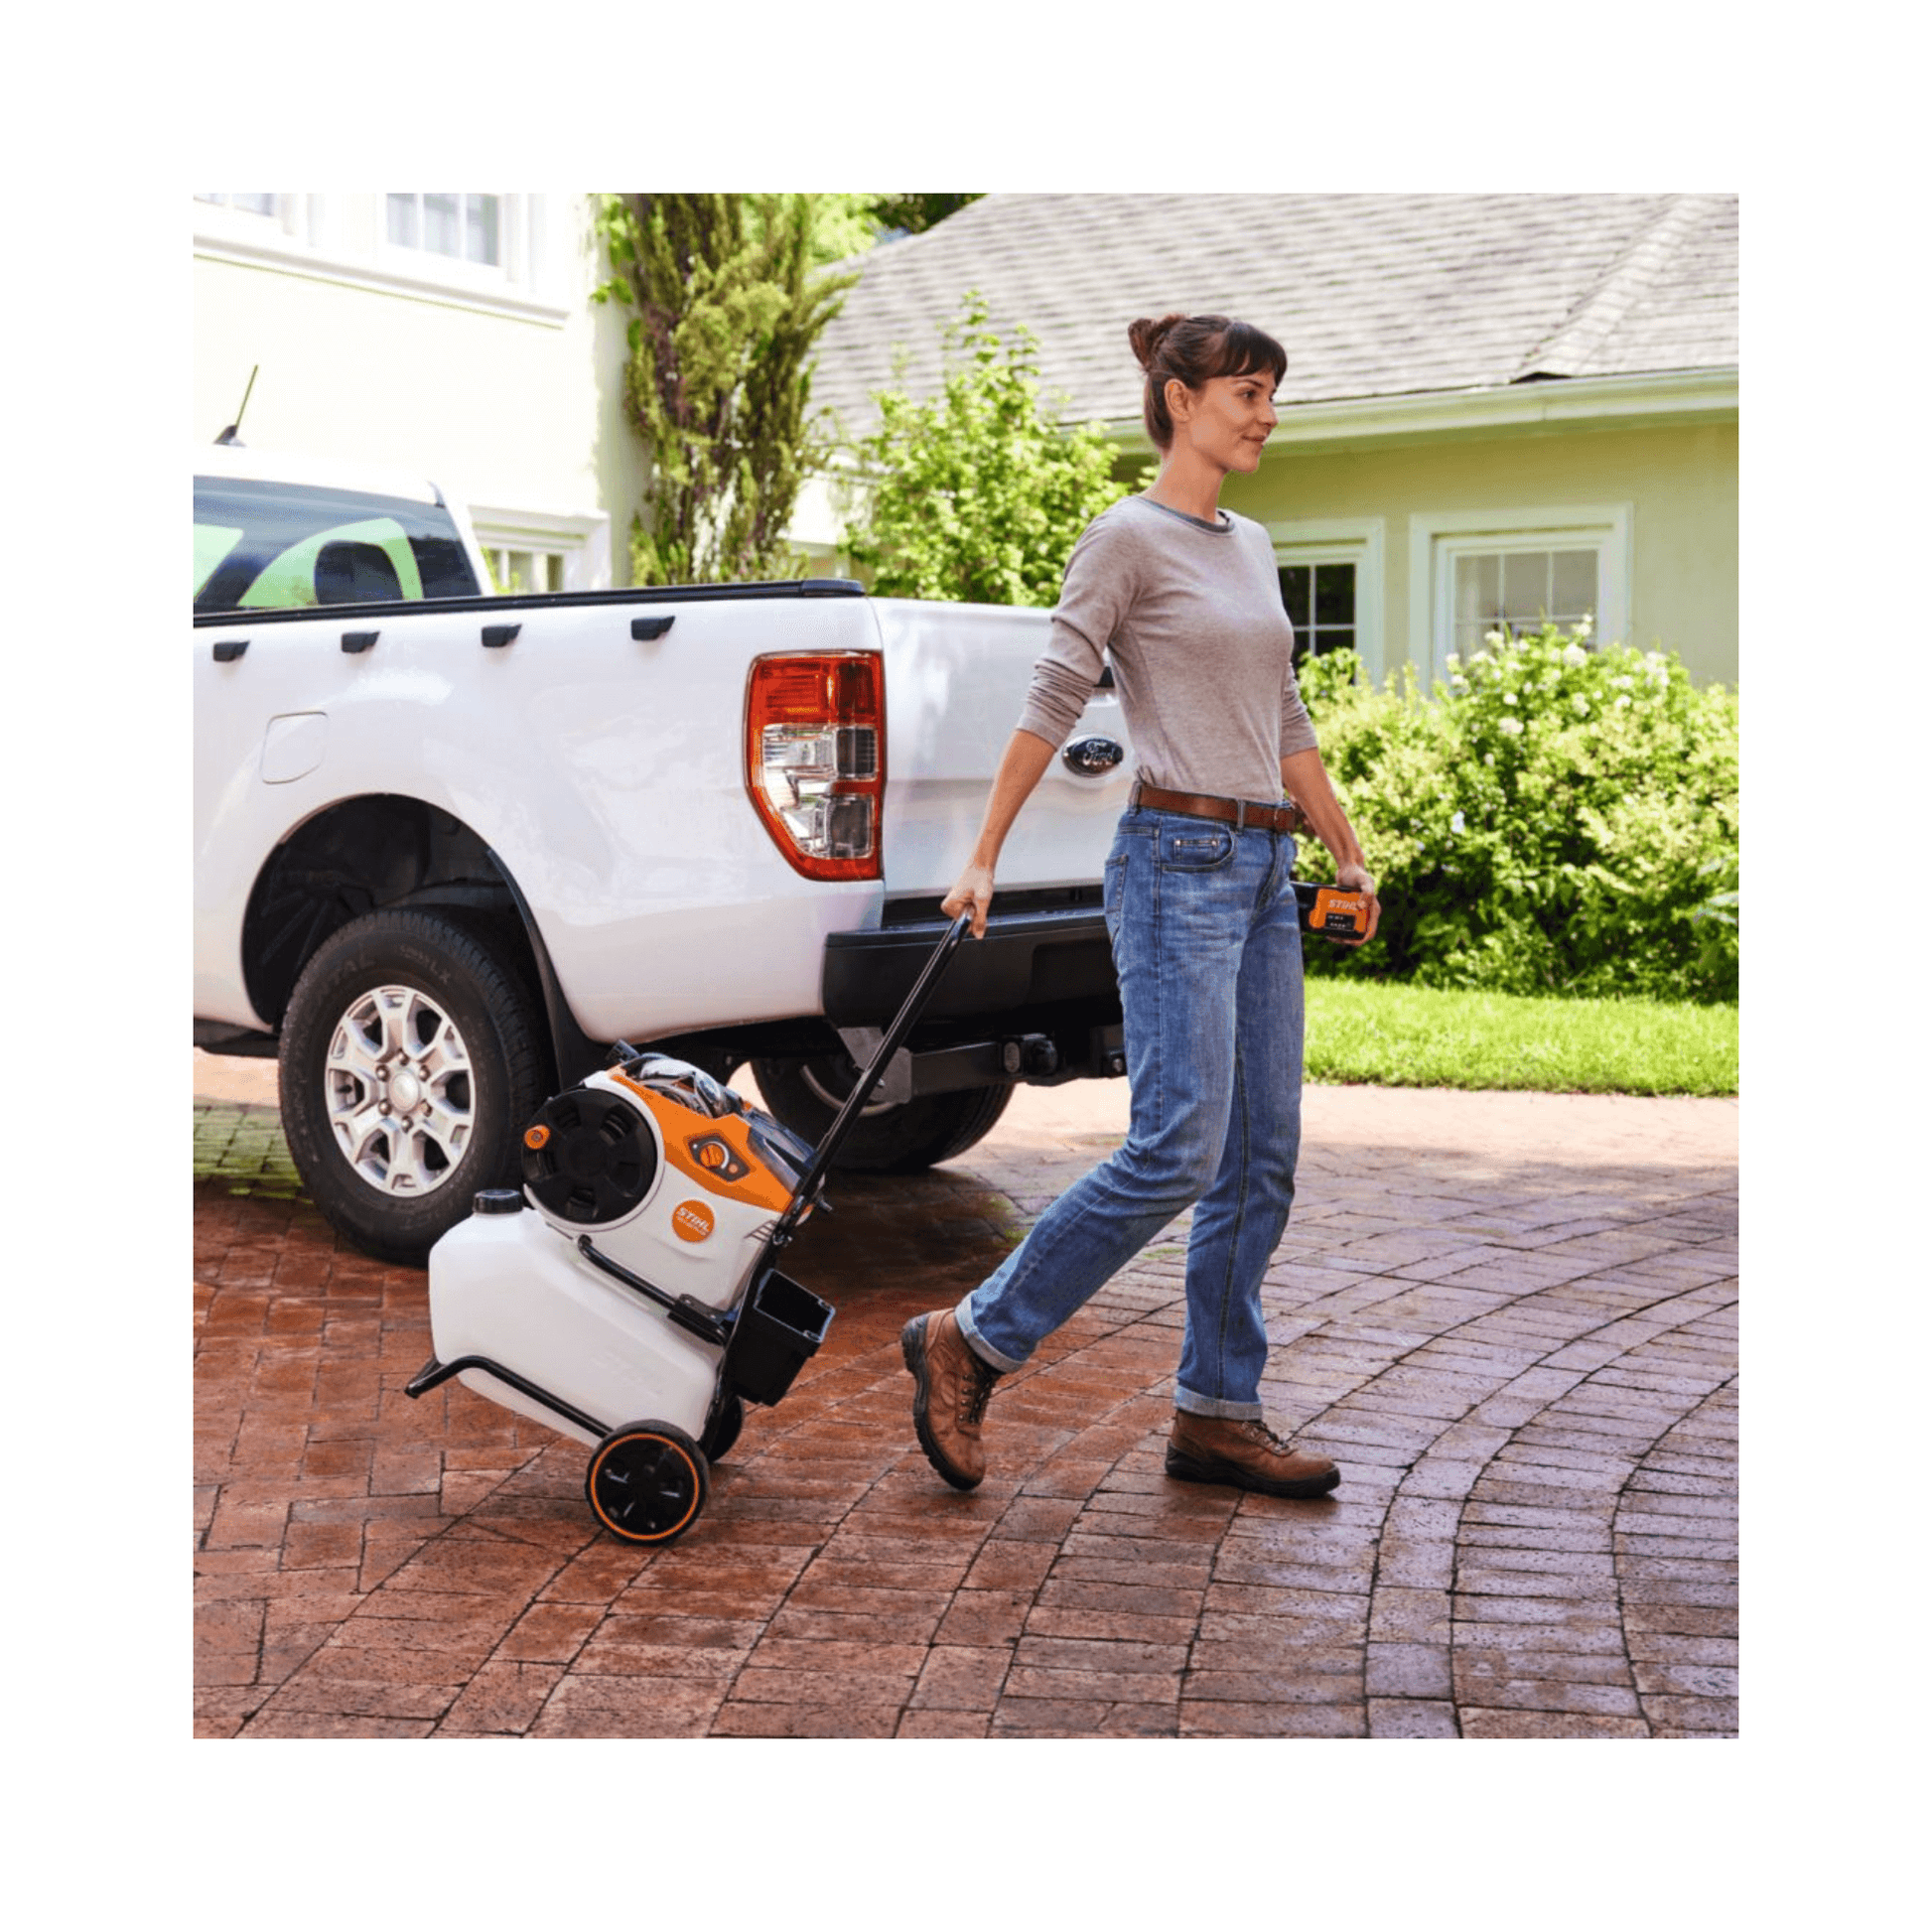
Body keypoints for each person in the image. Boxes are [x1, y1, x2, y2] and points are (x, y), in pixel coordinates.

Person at [900, 312, 1380, 1500]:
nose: (1266, 414)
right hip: (1172, 864)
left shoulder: (1251, 544)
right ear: (1179, 400)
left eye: (1272, 393)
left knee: (1258, 1155)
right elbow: (1055, 692)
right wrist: (983, 852)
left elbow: (1282, 724)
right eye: (1247, 393)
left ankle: (1216, 1410)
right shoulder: (1123, 537)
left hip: (1262, 872)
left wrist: (1347, 854)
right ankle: (974, 1335)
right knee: (1177, 1144)